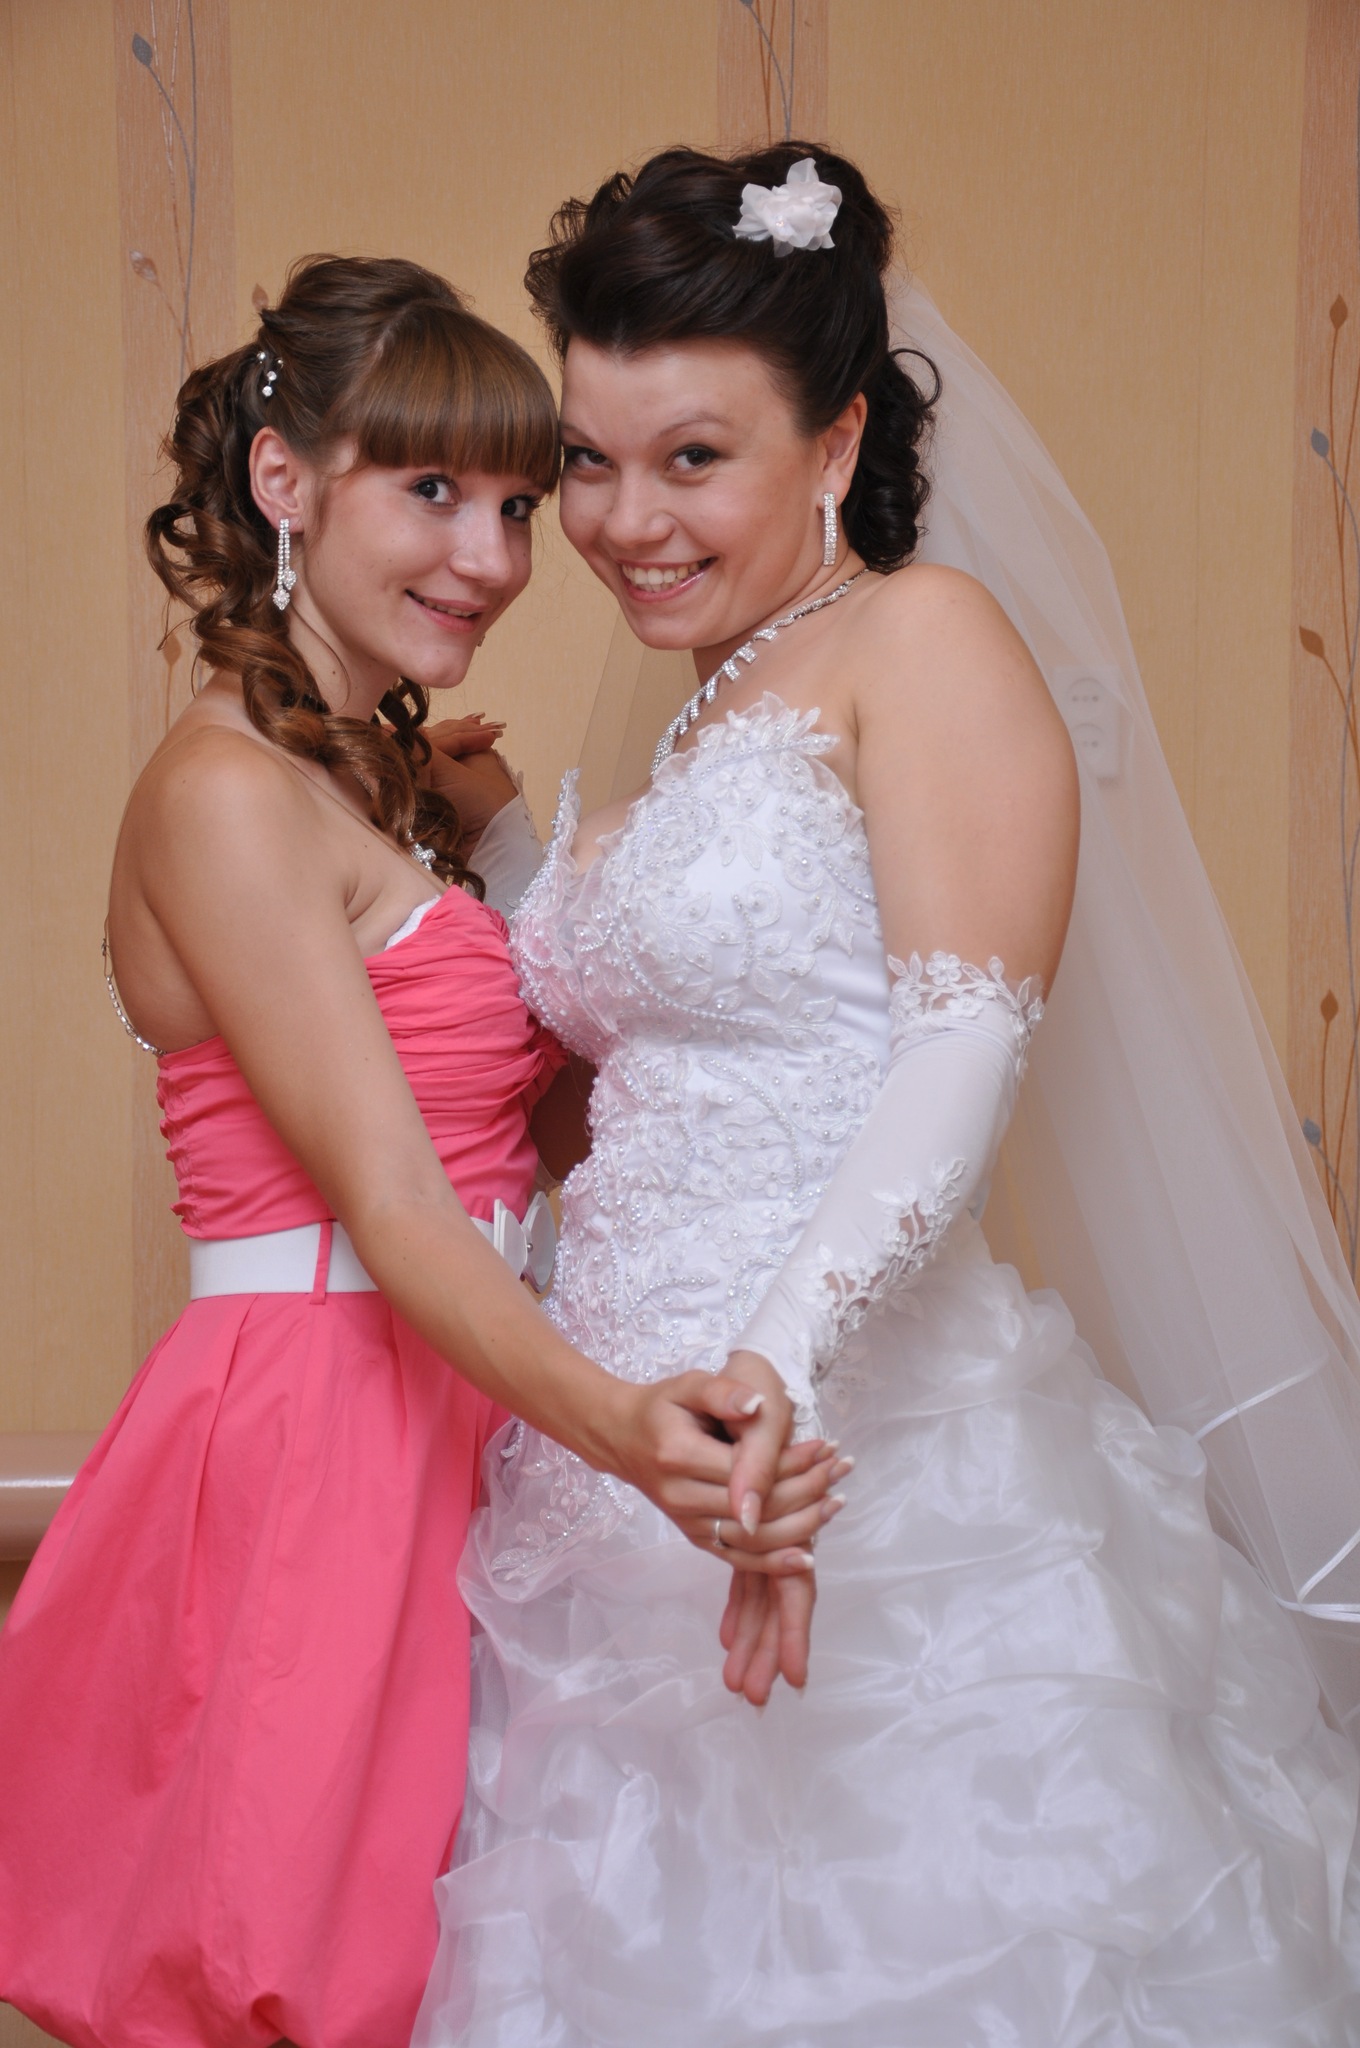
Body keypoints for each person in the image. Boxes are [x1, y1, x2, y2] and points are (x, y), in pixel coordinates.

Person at [414, 149, 1360, 2045]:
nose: (622, 521)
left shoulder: (927, 640)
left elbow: (956, 1043)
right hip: (612, 1469)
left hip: (857, 1456)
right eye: (587, 460)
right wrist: (508, 843)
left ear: (838, 438)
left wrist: (774, 1372)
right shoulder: (719, 701)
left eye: (694, 458)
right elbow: (671, 1031)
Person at [0, 254, 836, 2048]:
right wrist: (623, 1428)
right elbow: (390, 1203)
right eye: (433, 490)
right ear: (283, 481)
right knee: (313, 1969)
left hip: (456, 1394)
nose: (491, 556)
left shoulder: (377, 784)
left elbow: (540, 1122)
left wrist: (538, 859)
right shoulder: (223, 795)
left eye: (518, 505)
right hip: (321, 1429)